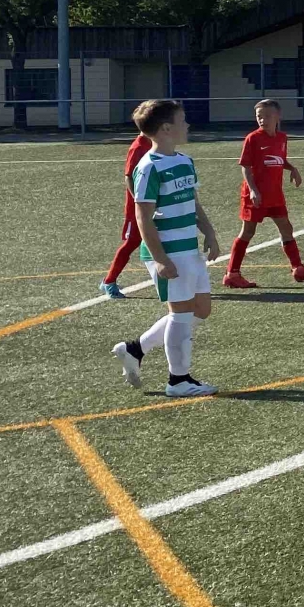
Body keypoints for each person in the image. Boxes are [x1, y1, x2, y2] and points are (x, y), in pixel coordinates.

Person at [110, 99, 221, 398]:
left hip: (189, 248)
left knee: (201, 310)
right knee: (181, 313)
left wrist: (209, 233)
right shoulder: (148, 167)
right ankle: (178, 380)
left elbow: (193, 202)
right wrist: (160, 259)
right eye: (182, 121)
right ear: (166, 129)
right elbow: (142, 217)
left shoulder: (185, 160)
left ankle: (135, 349)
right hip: (168, 251)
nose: (188, 125)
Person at [223, 99, 304, 289]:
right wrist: (253, 190)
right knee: (248, 232)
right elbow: (245, 167)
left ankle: (298, 268)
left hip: (275, 194)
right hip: (256, 195)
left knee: (286, 227)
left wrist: (292, 168)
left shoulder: (282, 138)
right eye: (259, 116)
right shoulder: (253, 138)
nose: (262, 120)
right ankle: (232, 274)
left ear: (278, 116)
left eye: (267, 116)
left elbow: (279, 159)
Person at [98, 129, 155, 298]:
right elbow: (128, 176)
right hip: (138, 208)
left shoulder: (154, 144)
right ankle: (109, 281)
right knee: (132, 242)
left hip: (154, 204)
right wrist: (139, 200)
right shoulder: (138, 147)